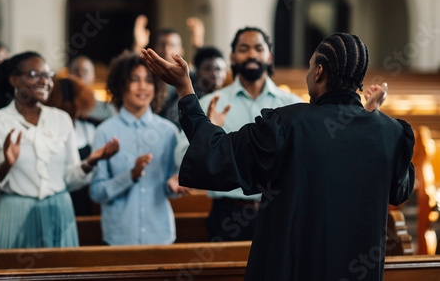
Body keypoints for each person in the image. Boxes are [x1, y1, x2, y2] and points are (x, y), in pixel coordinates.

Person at [140, 32, 415, 281]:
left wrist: (186, 90)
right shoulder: (391, 132)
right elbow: (399, 190)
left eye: (309, 67)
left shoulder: (288, 124)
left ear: (319, 72)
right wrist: (373, 116)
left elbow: (218, 152)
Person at [0, 51, 119, 249]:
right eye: (34, 74)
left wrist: (90, 162)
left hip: (58, 211)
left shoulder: (61, 119)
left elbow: (70, 179)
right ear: (14, 79)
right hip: (14, 213)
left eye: (48, 75)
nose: (44, 81)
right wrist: (5, 166)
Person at [174, 27, 303, 241]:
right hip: (228, 213)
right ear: (232, 57)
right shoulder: (209, 104)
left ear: (268, 56)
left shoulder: (292, 105)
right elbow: (181, 158)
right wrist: (208, 134)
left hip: (279, 210)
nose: (251, 54)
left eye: (258, 48)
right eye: (244, 49)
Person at [89, 53, 190, 246]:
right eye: (134, 80)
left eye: (149, 81)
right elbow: (97, 192)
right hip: (119, 237)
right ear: (120, 85)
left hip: (161, 235)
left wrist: (174, 185)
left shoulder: (168, 131)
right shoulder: (105, 131)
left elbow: (173, 183)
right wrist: (131, 175)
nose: (143, 86)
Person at [45, 76, 98, 216]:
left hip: (84, 198)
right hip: (55, 197)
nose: (71, 117)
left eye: (75, 111)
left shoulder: (90, 129)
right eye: (66, 112)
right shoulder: (46, 133)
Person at [69, 55, 117, 125]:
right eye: (76, 70)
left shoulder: (107, 109)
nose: (80, 74)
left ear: (93, 75)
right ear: (69, 75)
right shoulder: (64, 106)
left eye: (85, 71)